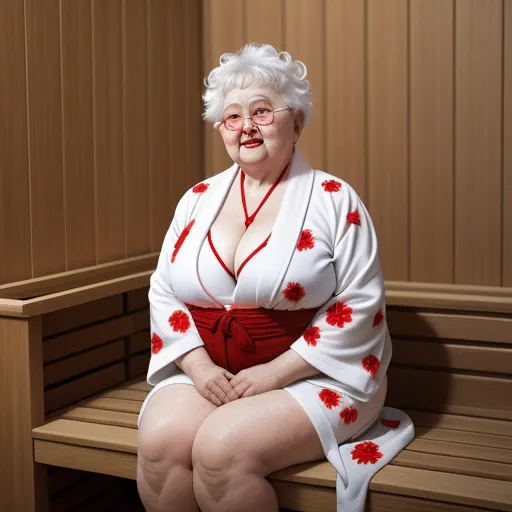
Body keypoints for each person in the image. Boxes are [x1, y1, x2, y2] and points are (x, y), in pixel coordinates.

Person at [136, 43, 414, 512]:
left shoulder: (334, 200)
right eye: (232, 117)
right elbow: (164, 289)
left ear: (297, 122)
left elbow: (359, 302)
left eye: (262, 111)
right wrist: (200, 368)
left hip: (317, 374)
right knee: (162, 443)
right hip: (212, 371)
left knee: (220, 450)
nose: (246, 127)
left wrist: (274, 372)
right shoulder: (196, 199)